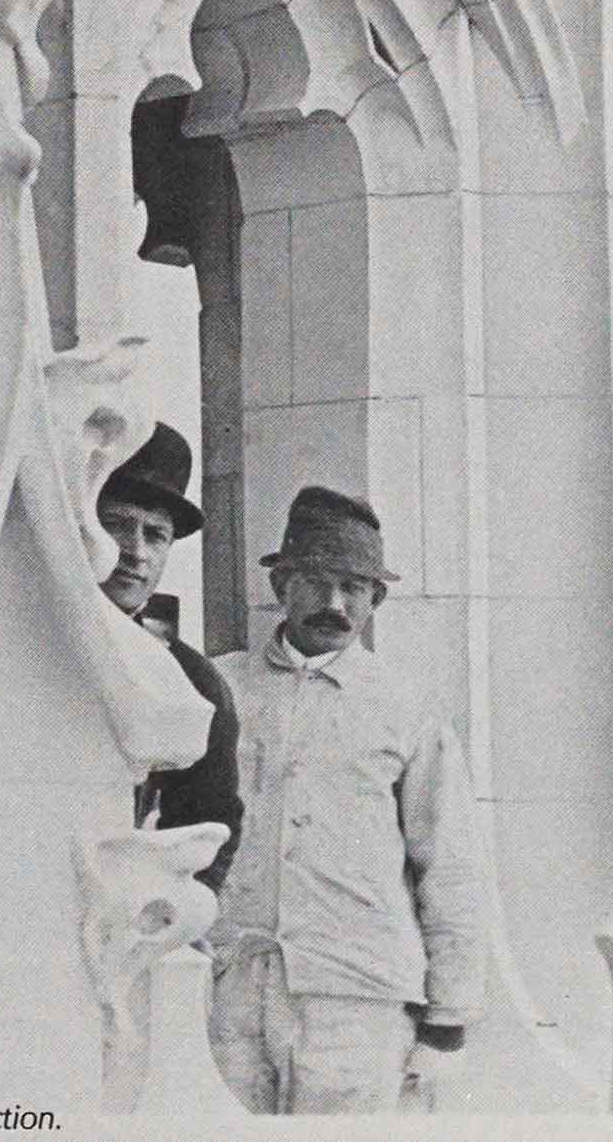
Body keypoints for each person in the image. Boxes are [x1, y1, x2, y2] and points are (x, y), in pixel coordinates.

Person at [210, 486, 485, 1115]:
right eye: (313, 580)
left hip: (360, 1001)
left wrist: (449, 1020)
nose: (334, 603)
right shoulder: (221, 687)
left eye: (353, 586)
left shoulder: (406, 706)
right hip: (230, 989)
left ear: (375, 600)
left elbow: (450, 863)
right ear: (281, 585)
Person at [96, 424, 241, 890]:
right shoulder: (26, 644)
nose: (135, 551)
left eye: (155, 535)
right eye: (116, 524)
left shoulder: (193, 681)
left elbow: (208, 822)